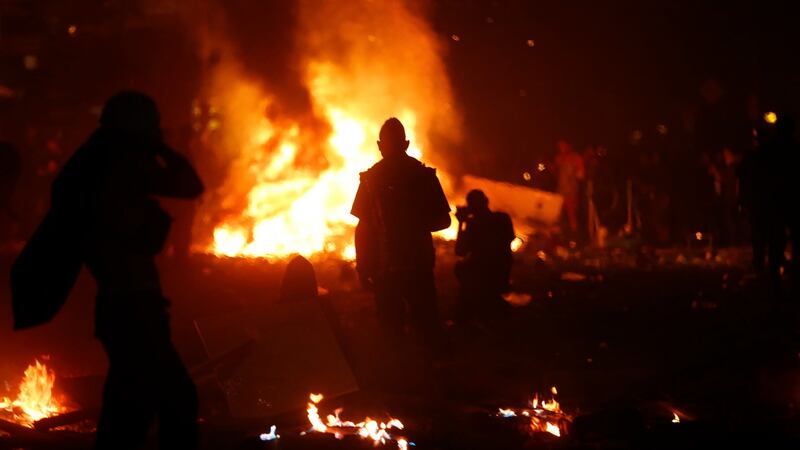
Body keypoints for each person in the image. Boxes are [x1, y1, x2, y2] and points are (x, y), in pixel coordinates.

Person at [51, 91, 203, 449]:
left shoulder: (99, 166)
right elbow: (188, 184)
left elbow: (189, 187)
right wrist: (161, 148)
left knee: (131, 407)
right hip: (130, 305)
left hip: (128, 304)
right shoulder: (110, 172)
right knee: (172, 400)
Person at [350, 117, 451, 350]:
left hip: (385, 268)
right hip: (419, 265)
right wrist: (416, 225)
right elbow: (444, 221)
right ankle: (428, 375)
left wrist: (362, 267)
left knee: (391, 330)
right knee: (426, 327)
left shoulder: (370, 179)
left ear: (379, 145)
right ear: (405, 144)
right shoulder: (425, 176)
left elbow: (363, 227)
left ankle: (397, 376)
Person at [454, 189, 515, 324]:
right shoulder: (503, 218)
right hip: (501, 272)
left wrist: (462, 223)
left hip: (485, 275)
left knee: (461, 268)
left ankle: (466, 317)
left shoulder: (475, 224)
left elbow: (460, 251)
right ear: (486, 201)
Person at [554, 140, 585, 236]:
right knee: (558, 214)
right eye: (560, 146)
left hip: (571, 191)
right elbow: (557, 173)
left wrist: (576, 172)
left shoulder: (576, 158)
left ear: (568, 146)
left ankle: (575, 236)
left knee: (571, 214)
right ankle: (560, 235)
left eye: (563, 146)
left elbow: (581, 175)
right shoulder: (559, 158)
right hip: (560, 190)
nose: (561, 148)